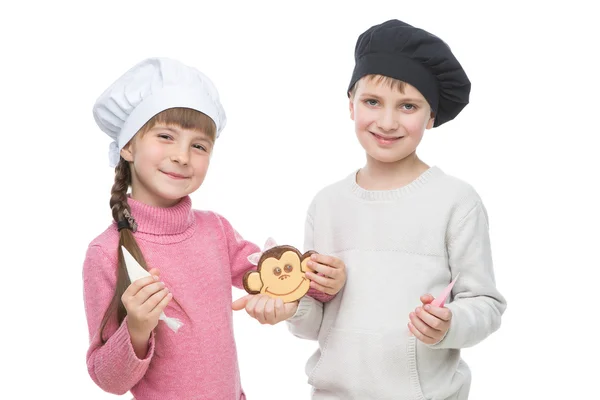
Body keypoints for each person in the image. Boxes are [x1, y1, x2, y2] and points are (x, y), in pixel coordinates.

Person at [242, 19, 507, 399]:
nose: (386, 121)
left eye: (408, 106)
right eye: (372, 102)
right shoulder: (327, 204)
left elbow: (485, 303)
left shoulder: (455, 201)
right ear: (350, 105)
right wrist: (291, 304)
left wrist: (449, 324)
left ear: (431, 116)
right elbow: (312, 325)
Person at [82, 57, 345, 399]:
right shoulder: (106, 253)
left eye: (199, 146)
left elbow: (277, 273)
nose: (182, 156)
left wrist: (325, 281)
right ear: (128, 146)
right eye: (165, 136)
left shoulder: (215, 230)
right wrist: (136, 329)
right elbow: (109, 380)